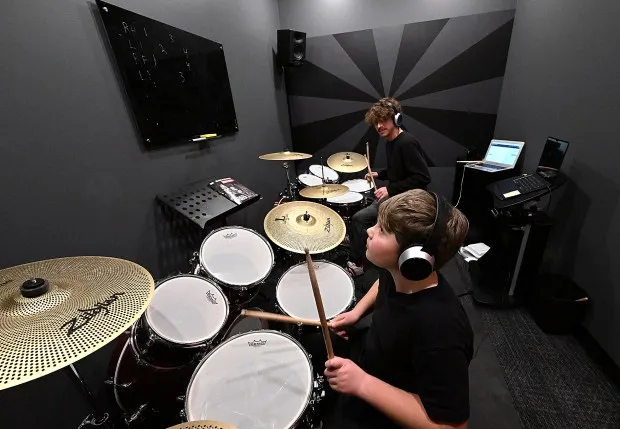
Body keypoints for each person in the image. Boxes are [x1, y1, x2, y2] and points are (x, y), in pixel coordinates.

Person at [310, 189, 473, 429]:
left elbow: (452, 427)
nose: (369, 230)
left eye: (382, 230)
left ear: (413, 258)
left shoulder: (440, 329)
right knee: (312, 345)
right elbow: (381, 284)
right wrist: (357, 313)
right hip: (376, 353)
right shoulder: (399, 272)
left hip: (392, 392)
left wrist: (362, 384)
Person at [347, 97, 431, 277]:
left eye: (383, 120)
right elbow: (398, 169)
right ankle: (359, 240)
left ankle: (358, 263)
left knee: (359, 219)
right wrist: (380, 174)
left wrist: (390, 189)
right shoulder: (391, 141)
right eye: (376, 122)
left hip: (406, 200)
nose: (379, 126)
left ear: (396, 118)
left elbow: (422, 177)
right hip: (396, 195)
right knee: (364, 203)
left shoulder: (407, 142)